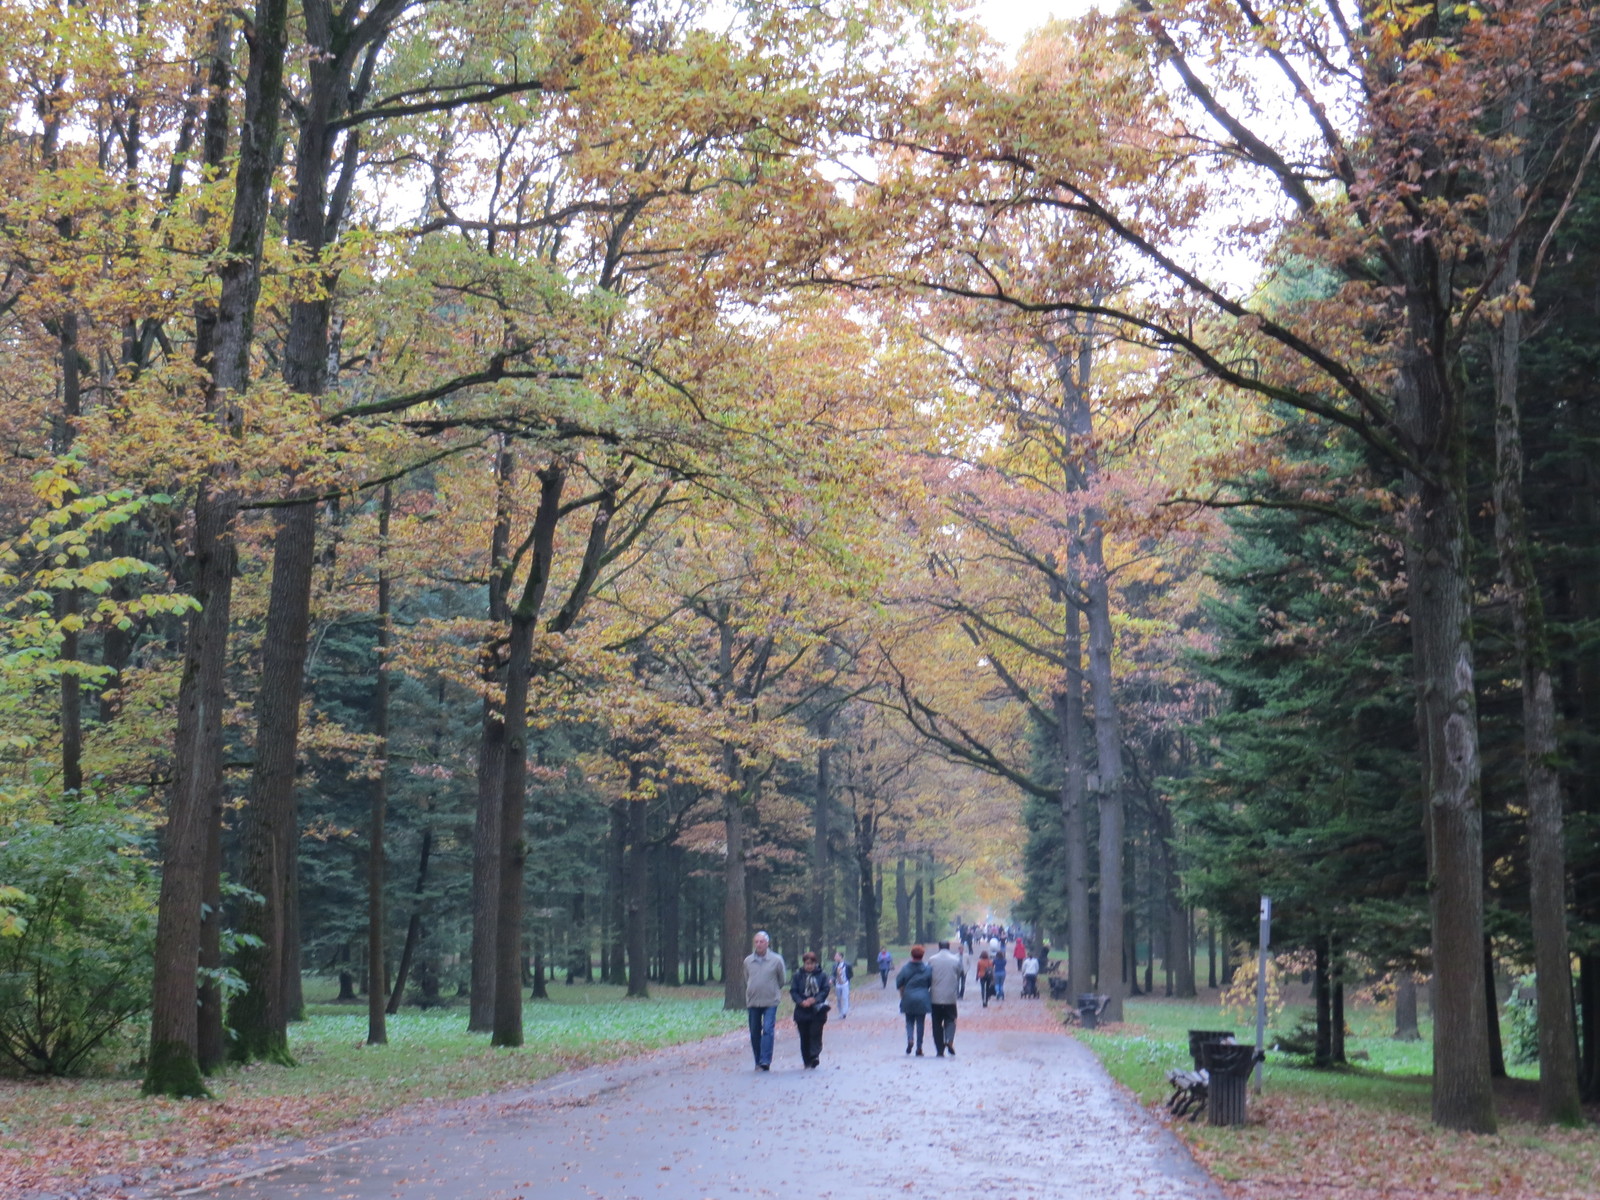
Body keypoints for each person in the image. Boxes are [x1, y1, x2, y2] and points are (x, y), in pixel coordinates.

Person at [744, 930, 787, 1071]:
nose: (759, 944)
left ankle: (765, 1060)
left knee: (768, 1029)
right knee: (754, 1031)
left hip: (770, 1001)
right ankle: (757, 1060)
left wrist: (772, 988)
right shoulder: (748, 961)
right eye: (756, 942)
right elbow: (747, 978)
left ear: (767, 943)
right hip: (753, 1001)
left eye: (761, 941)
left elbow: (782, 980)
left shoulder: (776, 960)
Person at [790, 951, 832, 1068]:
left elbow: (825, 989)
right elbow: (793, 991)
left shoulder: (822, 975)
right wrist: (801, 1001)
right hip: (802, 1010)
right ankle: (807, 1060)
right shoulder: (798, 975)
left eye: (811, 964)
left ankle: (814, 1055)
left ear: (815, 963)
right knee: (804, 1036)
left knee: (815, 1033)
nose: (809, 966)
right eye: (807, 964)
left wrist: (814, 999)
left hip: (817, 1010)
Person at [895, 944, 933, 1056]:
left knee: (909, 1021)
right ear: (922, 955)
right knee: (920, 1023)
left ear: (911, 955)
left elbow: (898, 983)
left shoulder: (905, 968)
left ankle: (910, 1039)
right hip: (923, 998)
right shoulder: (928, 969)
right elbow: (930, 982)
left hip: (908, 997)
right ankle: (919, 1047)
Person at [927, 940, 963, 1057]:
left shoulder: (932, 960)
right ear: (948, 947)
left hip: (935, 996)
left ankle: (939, 1049)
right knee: (951, 1019)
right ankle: (949, 1039)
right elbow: (960, 973)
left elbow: (928, 975)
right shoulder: (955, 960)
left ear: (939, 947)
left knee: (936, 1023)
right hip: (950, 996)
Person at [832, 949, 852, 1018]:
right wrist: (832, 979)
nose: (835, 957)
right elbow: (833, 974)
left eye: (836, 956)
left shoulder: (848, 965)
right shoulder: (834, 965)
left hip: (845, 983)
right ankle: (840, 1012)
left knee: (845, 997)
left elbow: (851, 974)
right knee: (838, 999)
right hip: (837, 984)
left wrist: (847, 980)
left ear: (840, 957)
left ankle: (844, 1012)